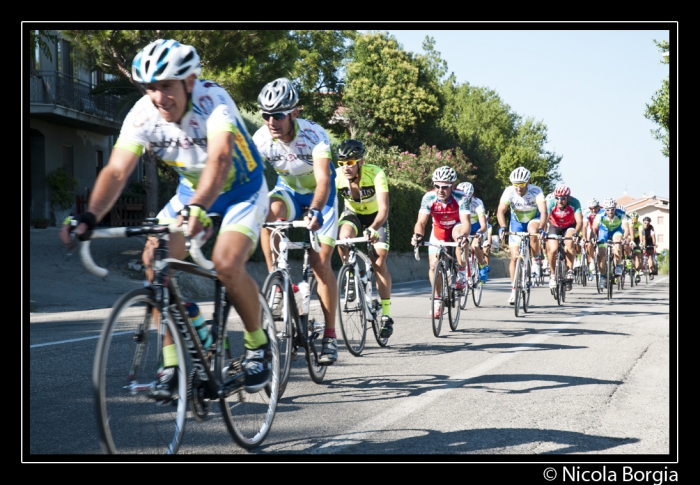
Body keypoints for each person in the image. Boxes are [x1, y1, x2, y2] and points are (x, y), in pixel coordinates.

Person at [59, 39, 272, 397]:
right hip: (192, 193)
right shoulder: (143, 114)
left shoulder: (213, 102)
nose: (160, 97)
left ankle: (258, 347)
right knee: (155, 263)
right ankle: (172, 364)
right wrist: (90, 216)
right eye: (151, 88)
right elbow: (116, 171)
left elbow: (219, 161)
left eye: (167, 86)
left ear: (189, 82)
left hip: (242, 190)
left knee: (226, 263)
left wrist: (201, 207)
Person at [253, 77, 339, 365]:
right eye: (266, 115)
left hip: (320, 197)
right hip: (289, 191)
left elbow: (324, 180)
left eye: (277, 115)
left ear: (294, 114)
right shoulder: (262, 139)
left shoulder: (315, 135)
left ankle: (329, 335)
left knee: (319, 264)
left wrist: (315, 210)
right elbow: (248, 177)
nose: (271, 121)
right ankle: (277, 283)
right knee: (268, 215)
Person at [334, 139, 394, 339]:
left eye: (350, 163)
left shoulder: (376, 173)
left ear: (360, 161)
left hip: (376, 217)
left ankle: (386, 315)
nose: (345, 167)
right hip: (352, 215)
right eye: (341, 163)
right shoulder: (336, 177)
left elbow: (384, 209)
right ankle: (351, 275)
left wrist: (373, 228)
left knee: (379, 260)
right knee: (343, 239)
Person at [411, 166, 471, 318]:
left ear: (452, 186)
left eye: (444, 187)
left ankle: (462, 272)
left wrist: (464, 236)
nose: (440, 190)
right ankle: (437, 300)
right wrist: (418, 235)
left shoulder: (461, 197)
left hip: (456, 227)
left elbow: (466, 223)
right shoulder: (428, 198)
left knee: (458, 236)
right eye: (436, 186)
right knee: (433, 265)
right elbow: (421, 223)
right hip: (439, 230)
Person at [496, 166, 547, 305]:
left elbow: (543, 212)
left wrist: (541, 228)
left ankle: (536, 259)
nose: (518, 188)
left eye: (522, 185)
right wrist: (502, 227)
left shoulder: (536, 191)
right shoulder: (509, 191)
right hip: (517, 223)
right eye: (516, 185)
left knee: (532, 232)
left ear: (528, 181)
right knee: (514, 257)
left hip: (533, 219)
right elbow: (501, 211)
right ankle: (513, 289)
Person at [544, 185, 583, 291]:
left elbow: (579, 221)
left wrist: (576, 233)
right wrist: (543, 231)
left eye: (562, 198)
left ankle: (570, 270)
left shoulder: (575, 203)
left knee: (569, 243)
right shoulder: (551, 203)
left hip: (569, 226)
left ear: (568, 198)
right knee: (552, 249)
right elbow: (545, 219)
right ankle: (552, 274)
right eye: (557, 198)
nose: (559, 201)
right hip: (554, 226)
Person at [591, 198, 630, 289]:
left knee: (617, 242)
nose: (610, 211)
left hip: (616, 231)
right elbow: (594, 228)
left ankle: (618, 266)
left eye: (612, 209)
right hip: (604, 233)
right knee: (602, 254)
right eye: (608, 209)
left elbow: (626, 228)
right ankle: (603, 276)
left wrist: (624, 238)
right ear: (605, 209)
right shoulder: (600, 214)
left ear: (615, 208)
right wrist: (593, 237)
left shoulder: (621, 213)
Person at [455, 181, 489, 283]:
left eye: (467, 197)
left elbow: (483, 224)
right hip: (463, 227)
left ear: (472, 195)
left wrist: (480, 232)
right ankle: (462, 268)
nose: (464, 200)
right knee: (459, 243)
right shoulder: (455, 201)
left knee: (475, 245)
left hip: (476, 228)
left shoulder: (477, 203)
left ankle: (482, 265)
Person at [582, 198, 602, 280]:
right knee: (589, 243)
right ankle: (592, 260)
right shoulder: (586, 213)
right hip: (591, 229)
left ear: (598, 206)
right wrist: (584, 237)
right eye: (591, 208)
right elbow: (585, 226)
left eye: (595, 207)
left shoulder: (603, 211)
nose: (593, 210)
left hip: (601, 230)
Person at [624, 211, 643, 283]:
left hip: (637, 238)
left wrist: (641, 242)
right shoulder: (628, 222)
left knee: (638, 255)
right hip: (630, 237)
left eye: (635, 219)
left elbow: (641, 233)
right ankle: (627, 258)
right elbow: (630, 233)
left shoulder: (640, 224)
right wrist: (631, 241)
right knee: (626, 244)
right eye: (633, 219)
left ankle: (637, 272)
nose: (634, 221)